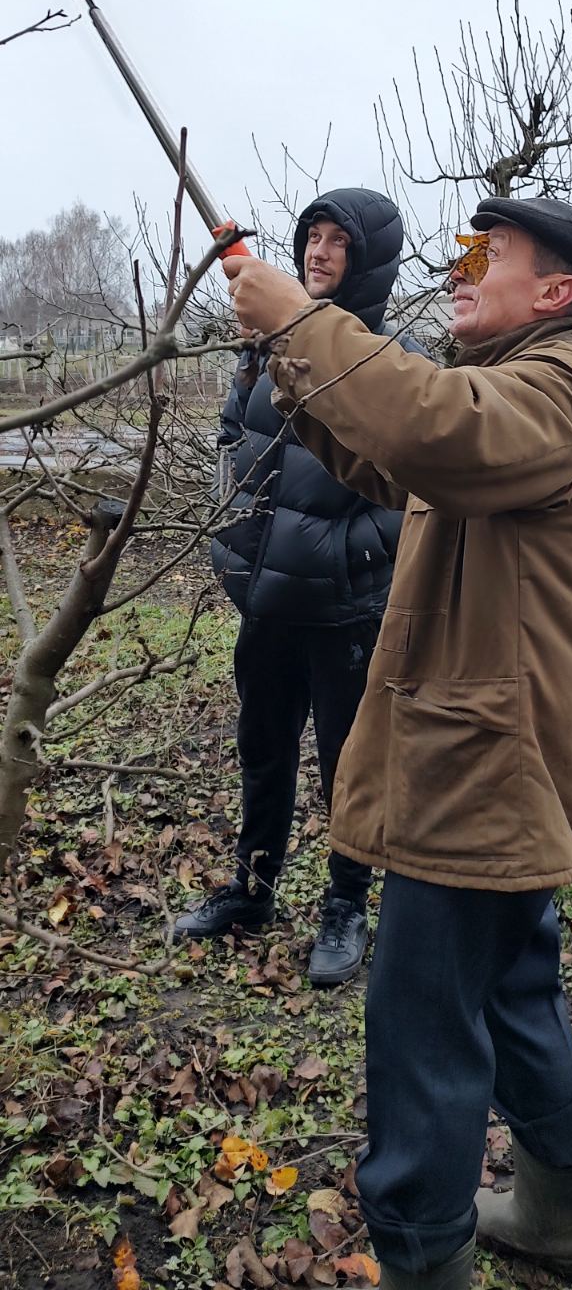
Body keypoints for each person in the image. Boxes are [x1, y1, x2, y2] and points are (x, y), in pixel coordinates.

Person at [221, 193, 572, 1289]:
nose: (460, 270)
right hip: (494, 765)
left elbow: (429, 429)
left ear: (555, 292)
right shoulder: (519, 392)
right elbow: (389, 459)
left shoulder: (564, 386)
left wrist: (300, 319)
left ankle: (422, 1258)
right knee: (512, 994)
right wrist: (291, 359)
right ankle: (557, 1217)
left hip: (475, 774)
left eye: (487, 256)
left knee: (423, 1034)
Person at [175, 188, 428, 987]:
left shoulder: (392, 360)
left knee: (348, 765)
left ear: (369, 259)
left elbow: (417, 488)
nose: (318, 252)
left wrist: (352, 554)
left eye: (337, 241)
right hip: (267, 601)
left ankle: (345, 905)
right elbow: (233, 436)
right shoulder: (265, 344)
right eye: (311, 237)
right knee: (263, 749)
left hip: (344, 607)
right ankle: (252, 892)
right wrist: (237, 529)